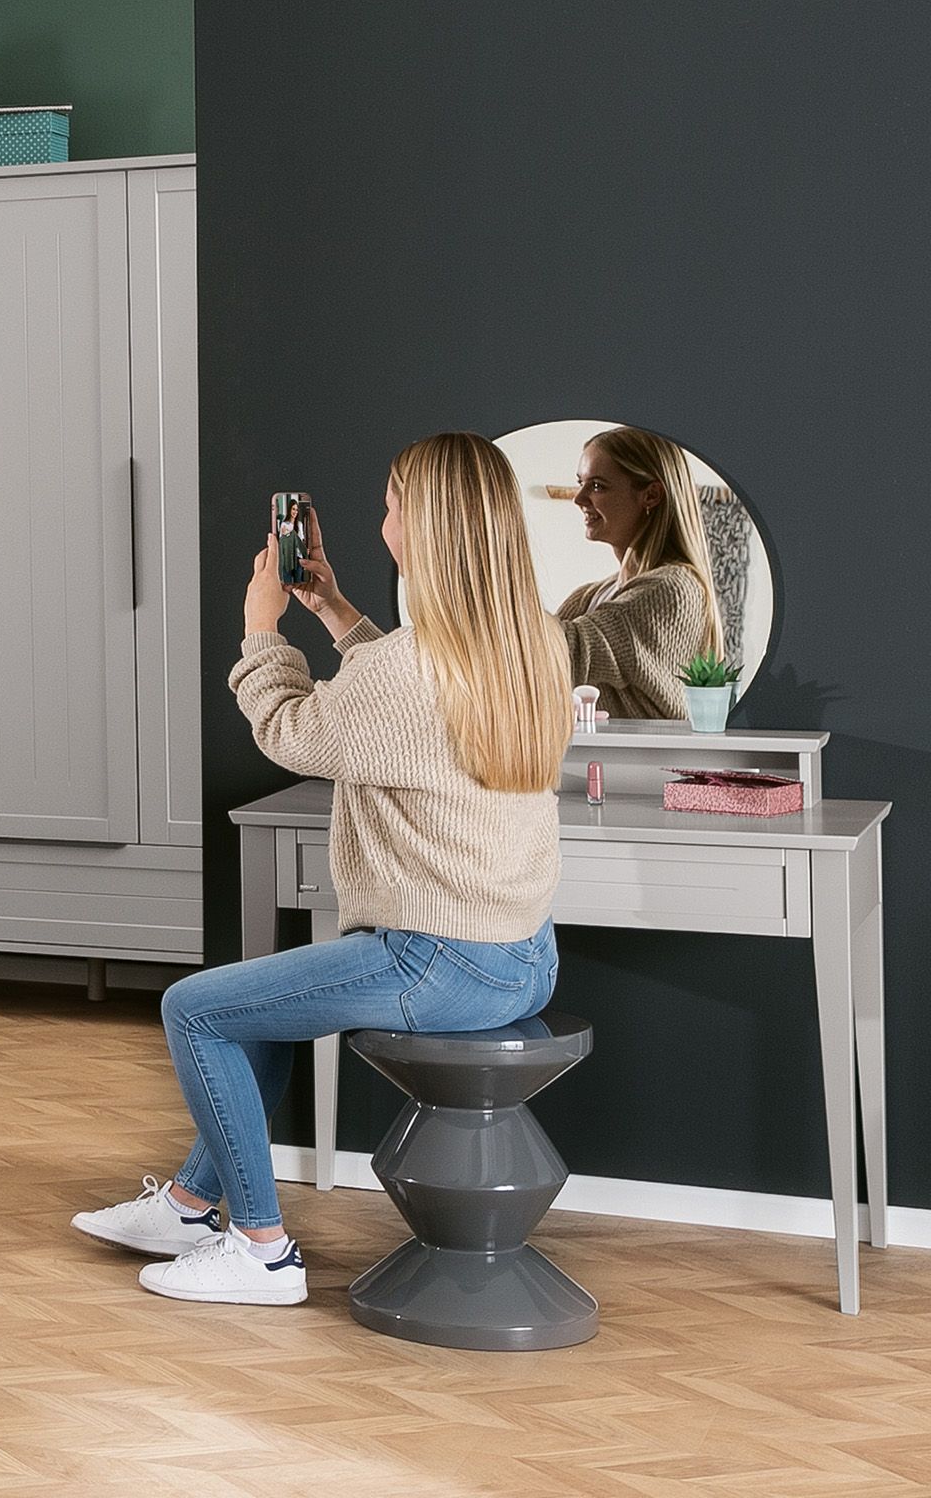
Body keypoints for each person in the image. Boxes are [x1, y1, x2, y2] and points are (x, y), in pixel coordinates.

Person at [73, 432, 571, 1308]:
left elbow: (294, 732)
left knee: (195, 1009)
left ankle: (260, 1249)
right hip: (523, 956)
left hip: (435, 960)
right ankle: (192, 1206)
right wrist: (338, 612)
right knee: (252, 1009)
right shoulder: (529, 643)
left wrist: (261, 628)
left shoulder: (408, 672)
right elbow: (407, 702)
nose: (382, 518)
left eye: (390, 503)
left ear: (425, 523)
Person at [557, 425, 726, 719]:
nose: (579, 498)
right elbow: (527, 656)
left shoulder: (673, 588)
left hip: (650, 764)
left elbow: (564, 652)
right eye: (580, 483)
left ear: (650, 495)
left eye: (597, 486)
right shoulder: (590, 596)